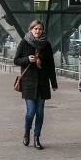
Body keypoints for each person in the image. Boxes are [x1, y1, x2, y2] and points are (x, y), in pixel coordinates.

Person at [14, 20, 57, 149]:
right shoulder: (24, 42)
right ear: (31, 29)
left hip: (42, 83)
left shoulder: (47, 45)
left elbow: (51, 65)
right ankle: (27, 132)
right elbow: (16, 60)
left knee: (40, 112)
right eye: (35, 29)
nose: (37, 31)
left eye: (40, 29)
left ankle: (37, 137)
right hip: (29, 83)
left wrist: (53, 83)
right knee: (31, 111)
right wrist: (27, 59)